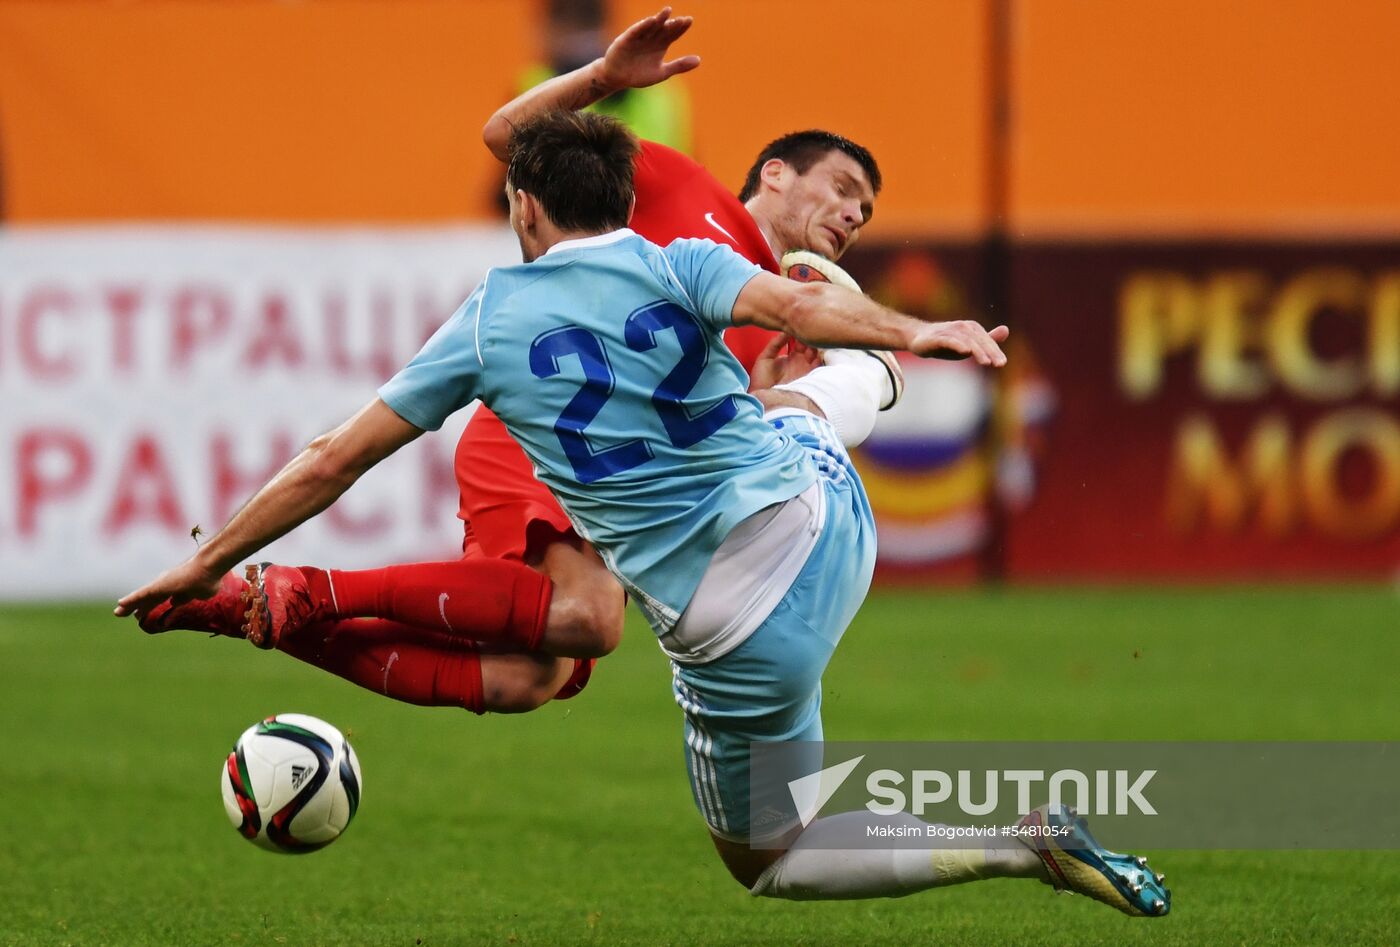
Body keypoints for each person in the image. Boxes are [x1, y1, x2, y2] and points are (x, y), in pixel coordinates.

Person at [117, 108, 1168, 917]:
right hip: (828, 524)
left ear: (524, 206)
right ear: (621, 197)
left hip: (740, 637)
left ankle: (1015, 842)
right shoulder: (682, 262)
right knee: (805, 398)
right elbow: (802, 302)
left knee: (776, 858)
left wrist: (205, 558)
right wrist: (911, 331)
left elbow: (328, 462)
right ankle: (876, 380)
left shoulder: (486, 326)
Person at [133, 7, 902, 718]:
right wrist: (602, 80)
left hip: (617, 468)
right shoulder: (682, 186)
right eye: (841, 187)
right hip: (549, 426)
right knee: (588, 618)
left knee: (525, 677)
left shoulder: (761, 308)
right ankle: (304, 591)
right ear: (774, 173)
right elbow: (511, 141)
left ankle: (257, 607)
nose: (851, 214)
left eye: (864, 210)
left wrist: (782, 391)